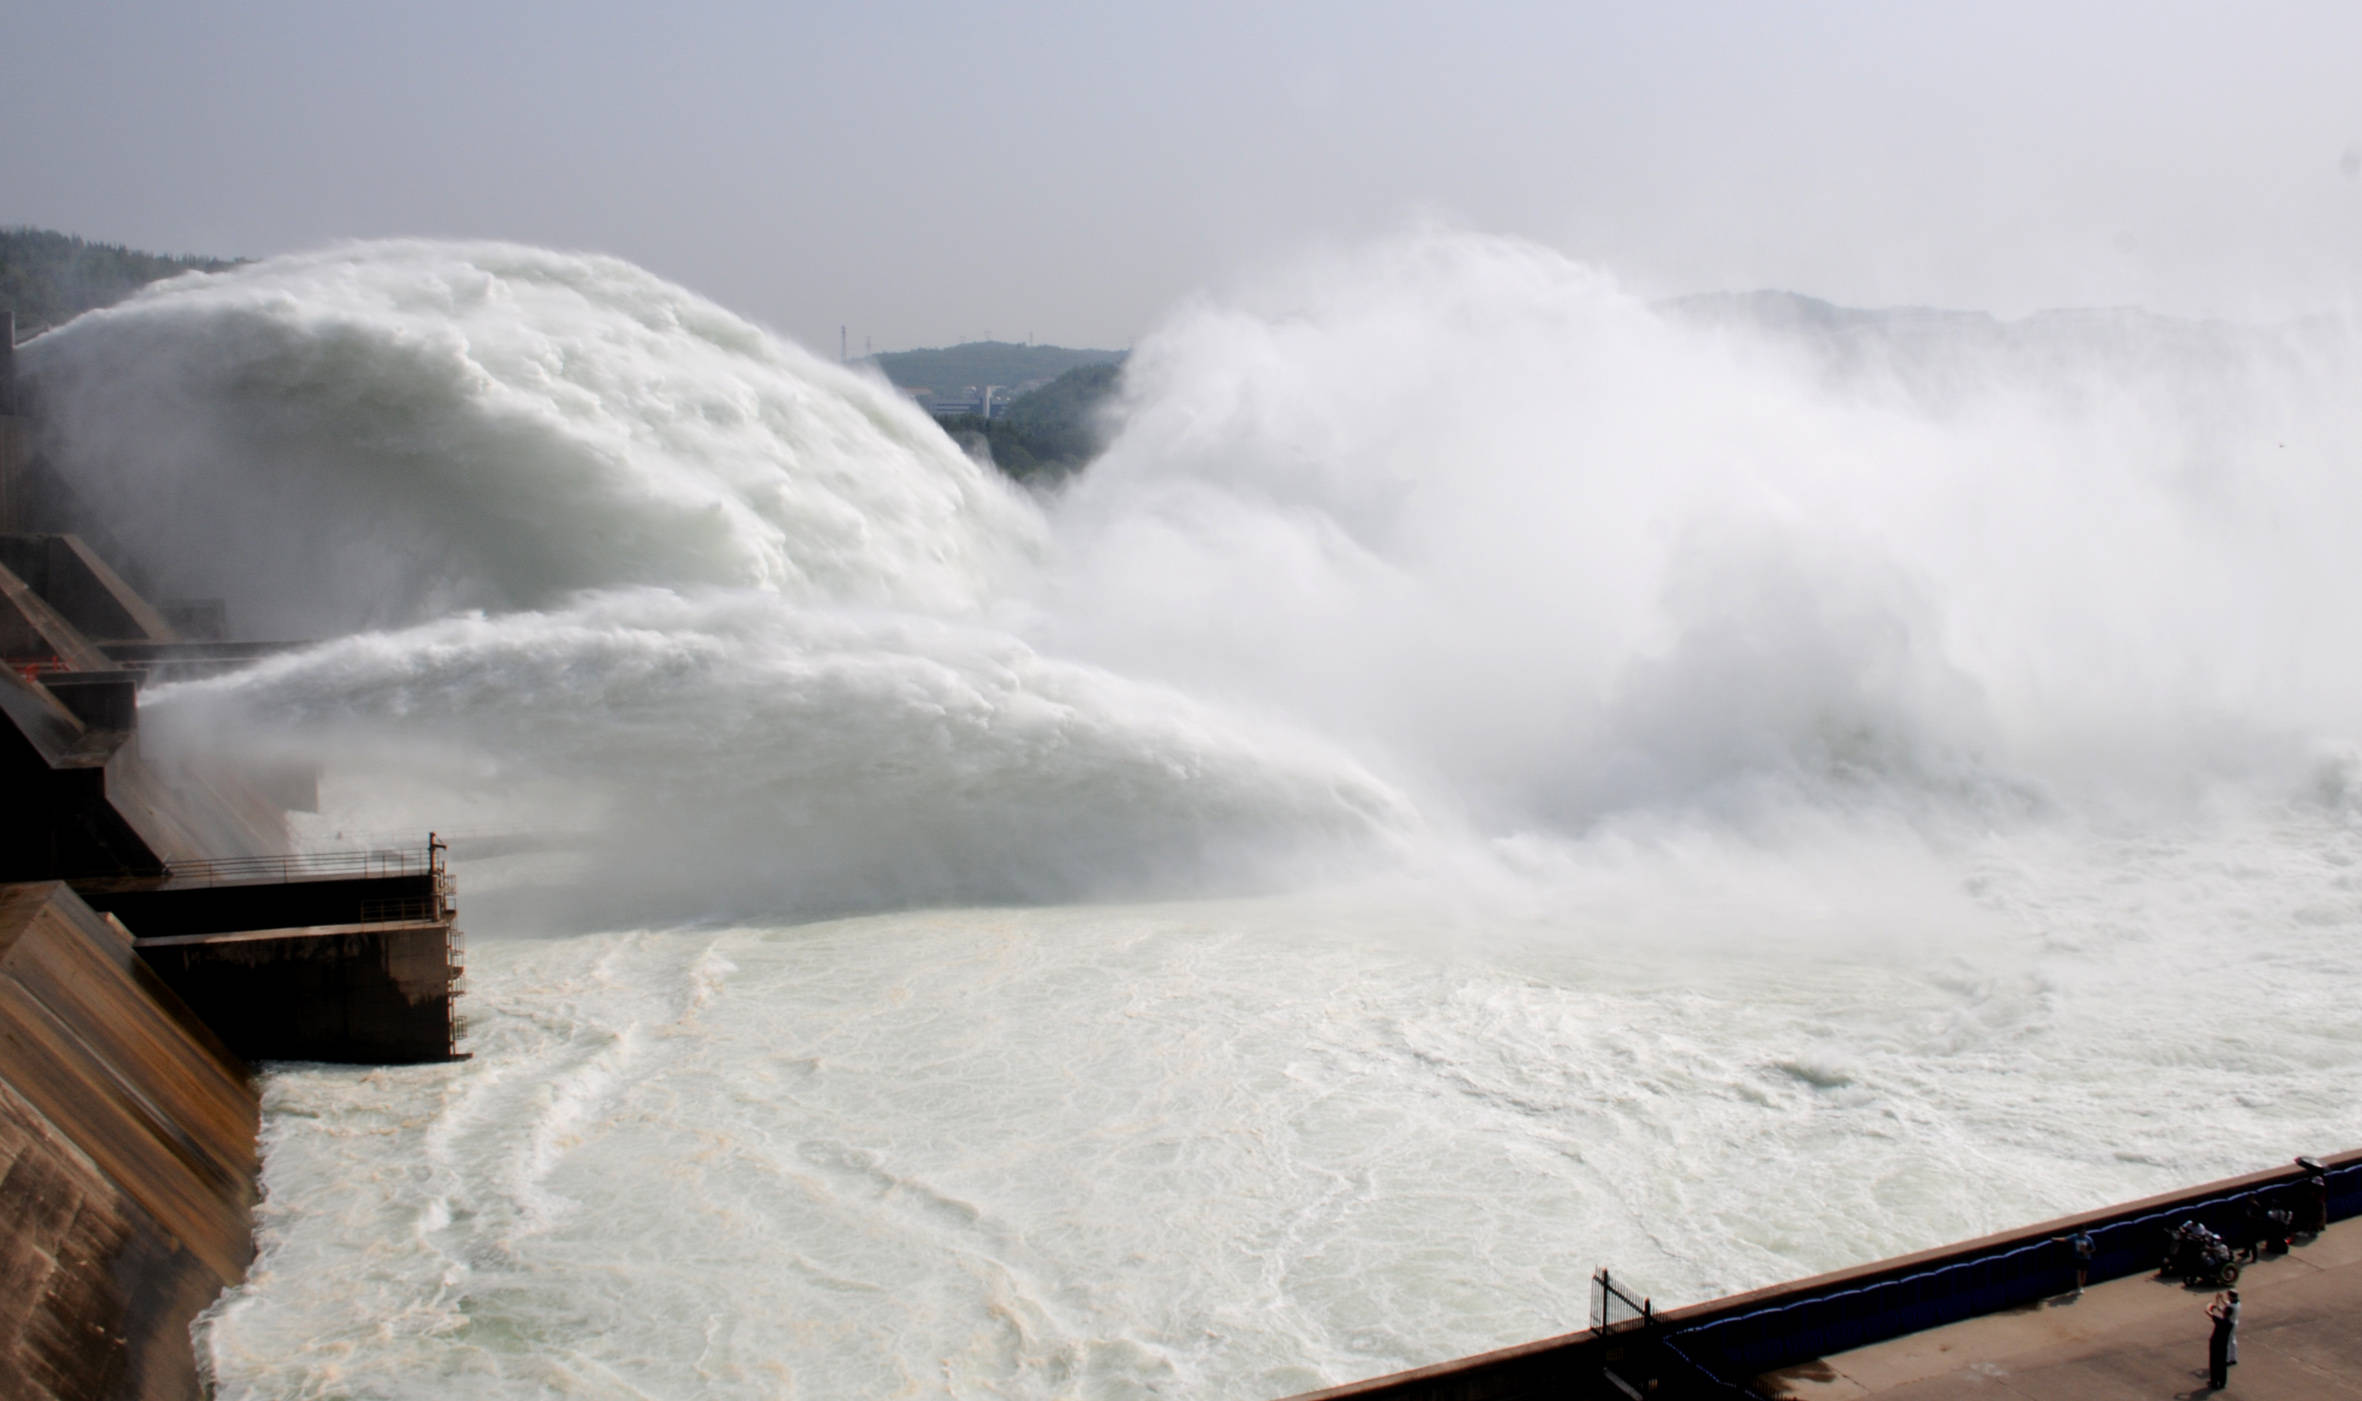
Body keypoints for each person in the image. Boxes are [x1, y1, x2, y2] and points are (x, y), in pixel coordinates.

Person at [2206, 1289, 2239, 1389]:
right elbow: (2227, 1307)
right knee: (2222, 1364)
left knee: (2214, 1363)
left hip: (2216, 1344)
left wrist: (2210, 1306)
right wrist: (2221, 1300)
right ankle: (2222, 1382)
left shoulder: (2220, 1321)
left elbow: (2208, 1312)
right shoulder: (2230, 1321)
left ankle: (2214, 1382)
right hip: (2223, 1344)